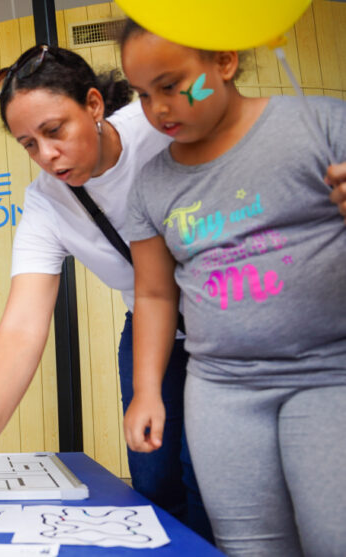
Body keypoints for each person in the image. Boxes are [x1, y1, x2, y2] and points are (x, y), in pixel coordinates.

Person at [0, 44, 212, 541]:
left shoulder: (154, 122)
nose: (47, 156)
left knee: (206, 473)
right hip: (150, 329)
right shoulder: (46, 204)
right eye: (28, 144)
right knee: (154, 477)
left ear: (94, 105)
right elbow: (22, 327)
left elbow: (217, 90)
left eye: (55, 131)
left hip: (226, 317)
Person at [119, 22, 346, 556]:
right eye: (143, 94)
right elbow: (153, 295)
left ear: (224, 62)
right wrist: (148, 390)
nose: (158, 108)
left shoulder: (322, 125)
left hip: (331, 377)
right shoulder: (152, 184)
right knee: (249, 547)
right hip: (223, 393)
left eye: (172, 85)